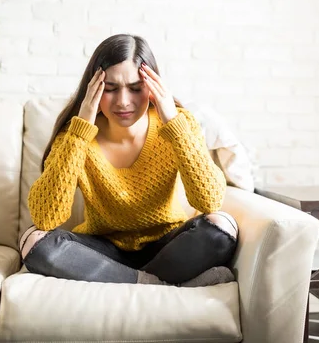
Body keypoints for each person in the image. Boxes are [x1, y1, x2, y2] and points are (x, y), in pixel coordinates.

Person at [19, 34, 239, 287]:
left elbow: (209, 201)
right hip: (101, 249)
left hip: (167, 246)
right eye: (111, 89)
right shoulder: (75, 134)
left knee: (221, 227)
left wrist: (174, 124)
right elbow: (45, 218)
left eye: (135, 88)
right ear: (93, 87)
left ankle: (125, 281)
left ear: (153, 85)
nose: (124, 101)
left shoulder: (179, 123)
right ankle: (157, 285)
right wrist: (80, 130)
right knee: (34, 242)